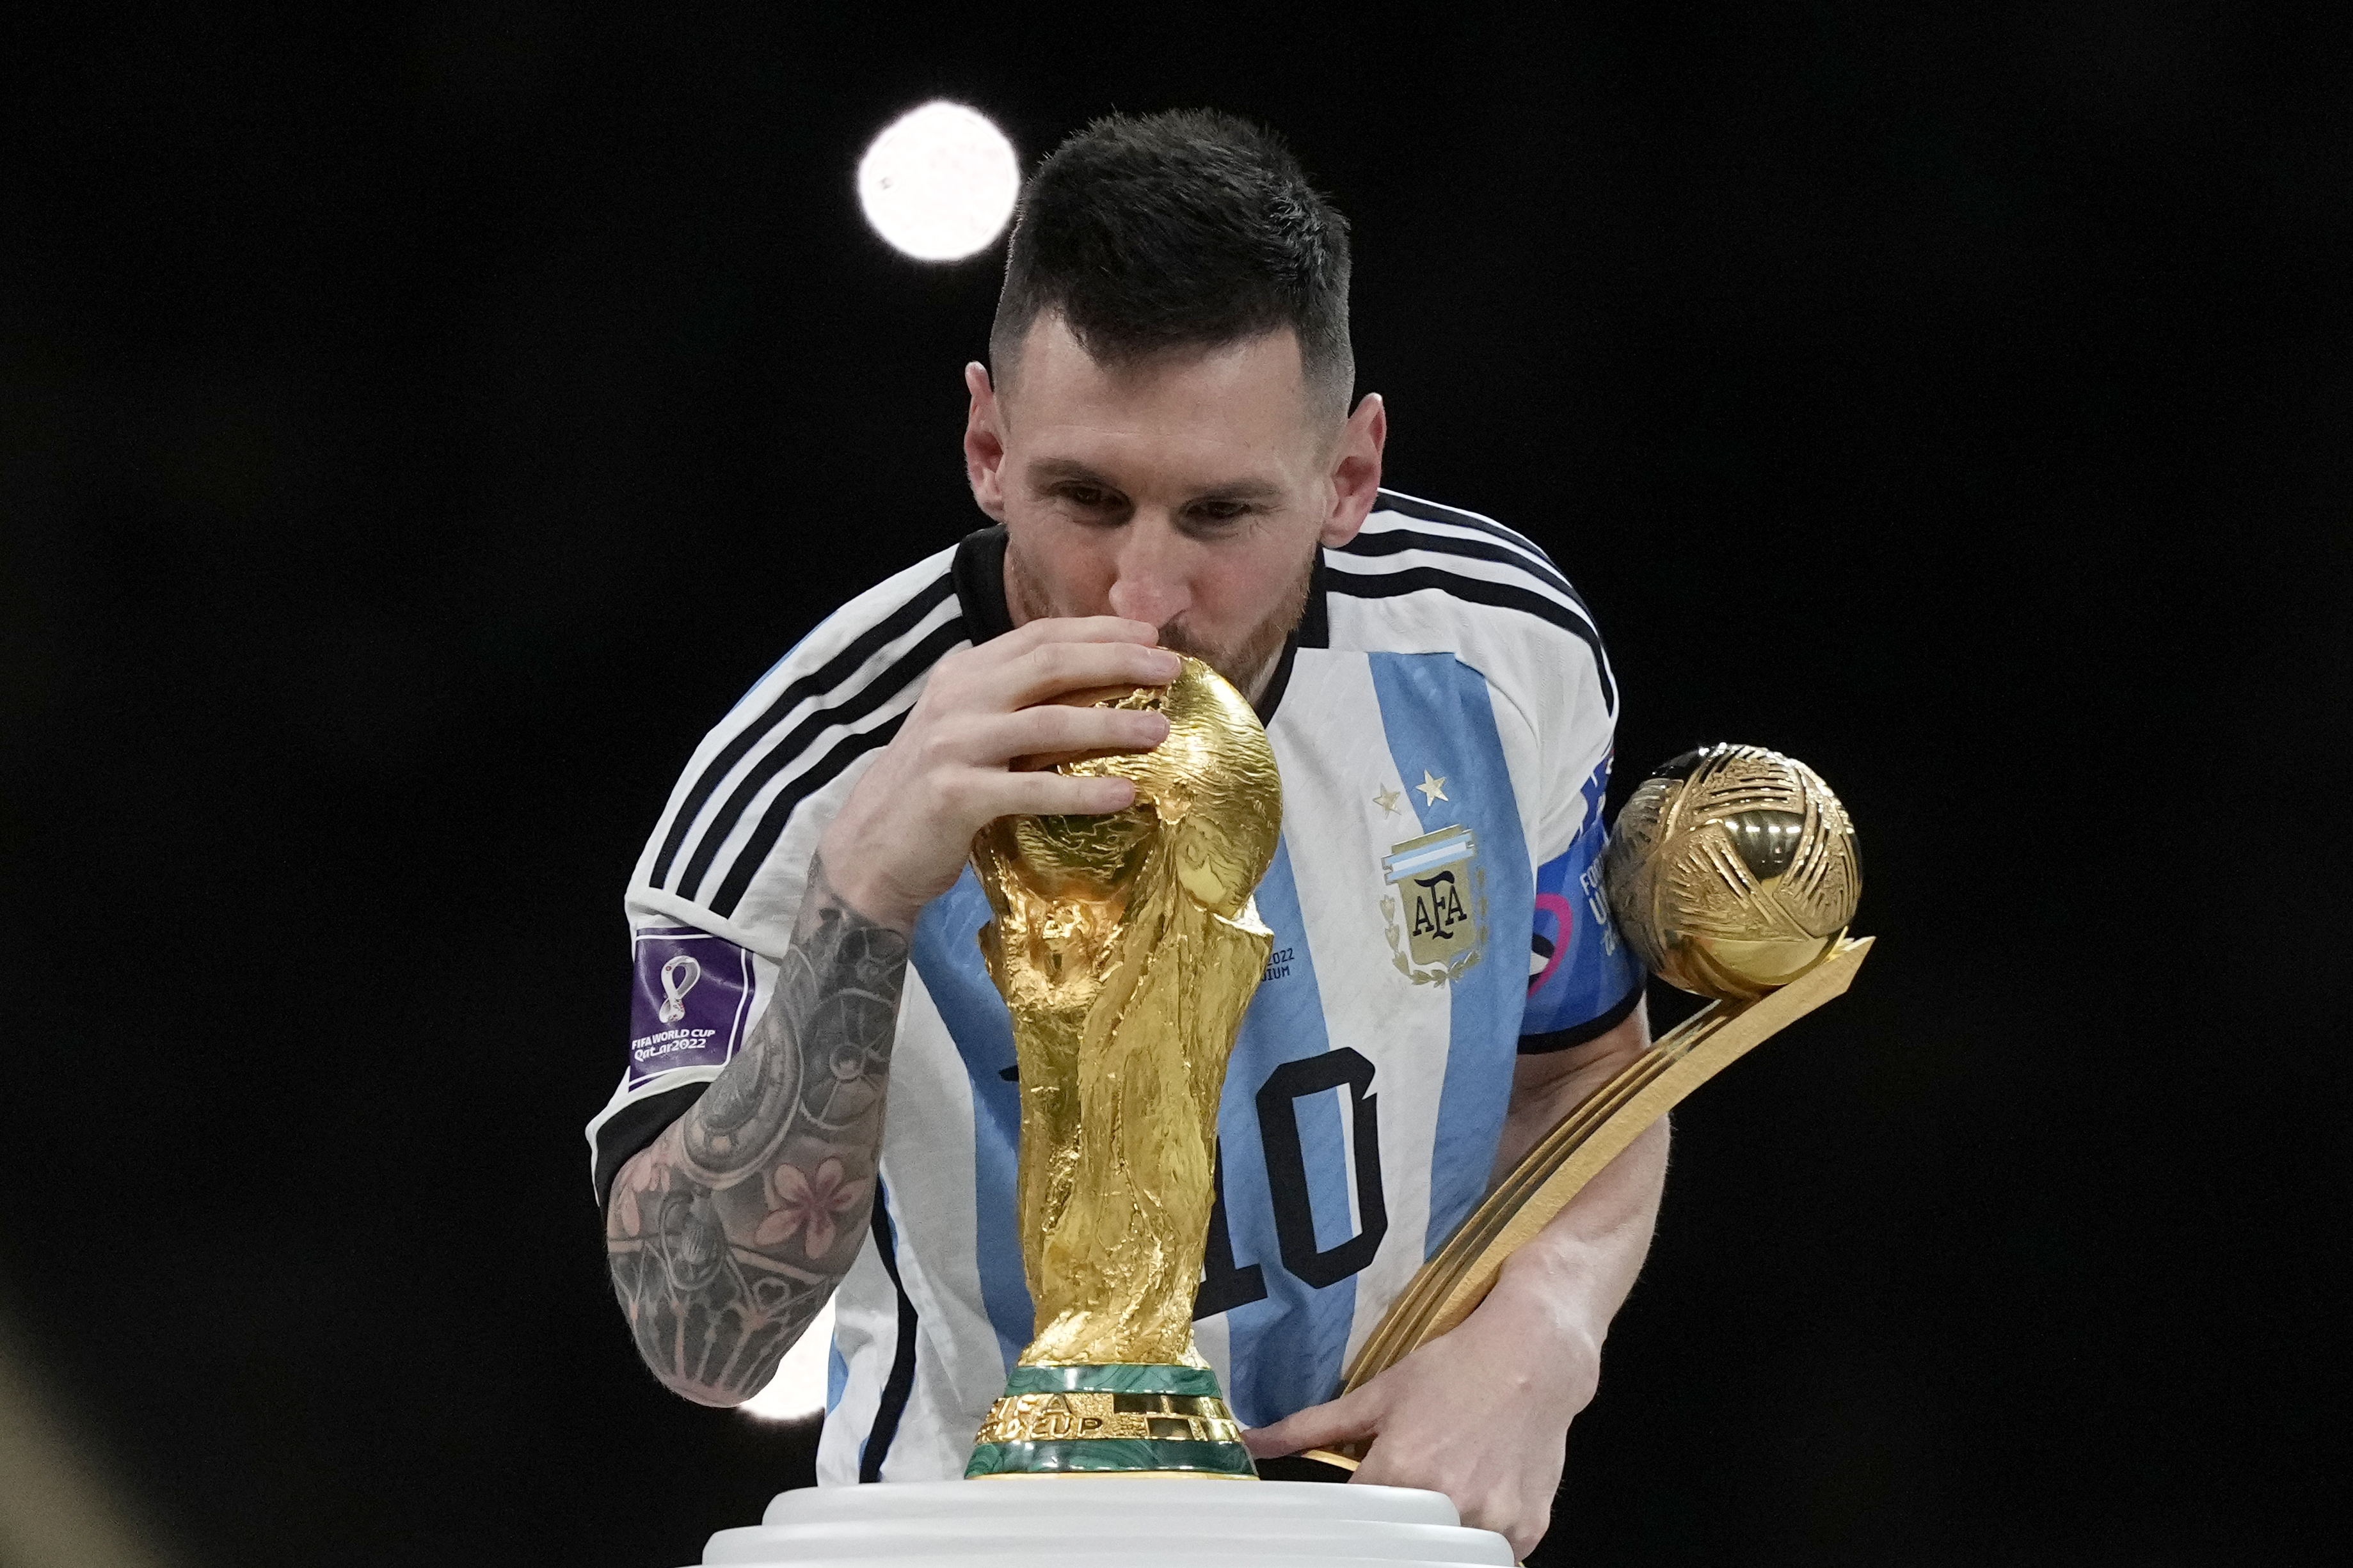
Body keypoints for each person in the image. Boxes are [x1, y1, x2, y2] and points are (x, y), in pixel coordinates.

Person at [589, 108, 1666, 1556]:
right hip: (961, 1541)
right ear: (986, 443)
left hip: (1374, 1539)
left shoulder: (1498, 655)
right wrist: (861, 896)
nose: (1141, 596)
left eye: (1222, 512)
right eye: (1085, 498)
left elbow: (1589, 1065)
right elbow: (699, 1336)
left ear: (1351, 475)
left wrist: (1549, 1317)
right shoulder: (796, 788)